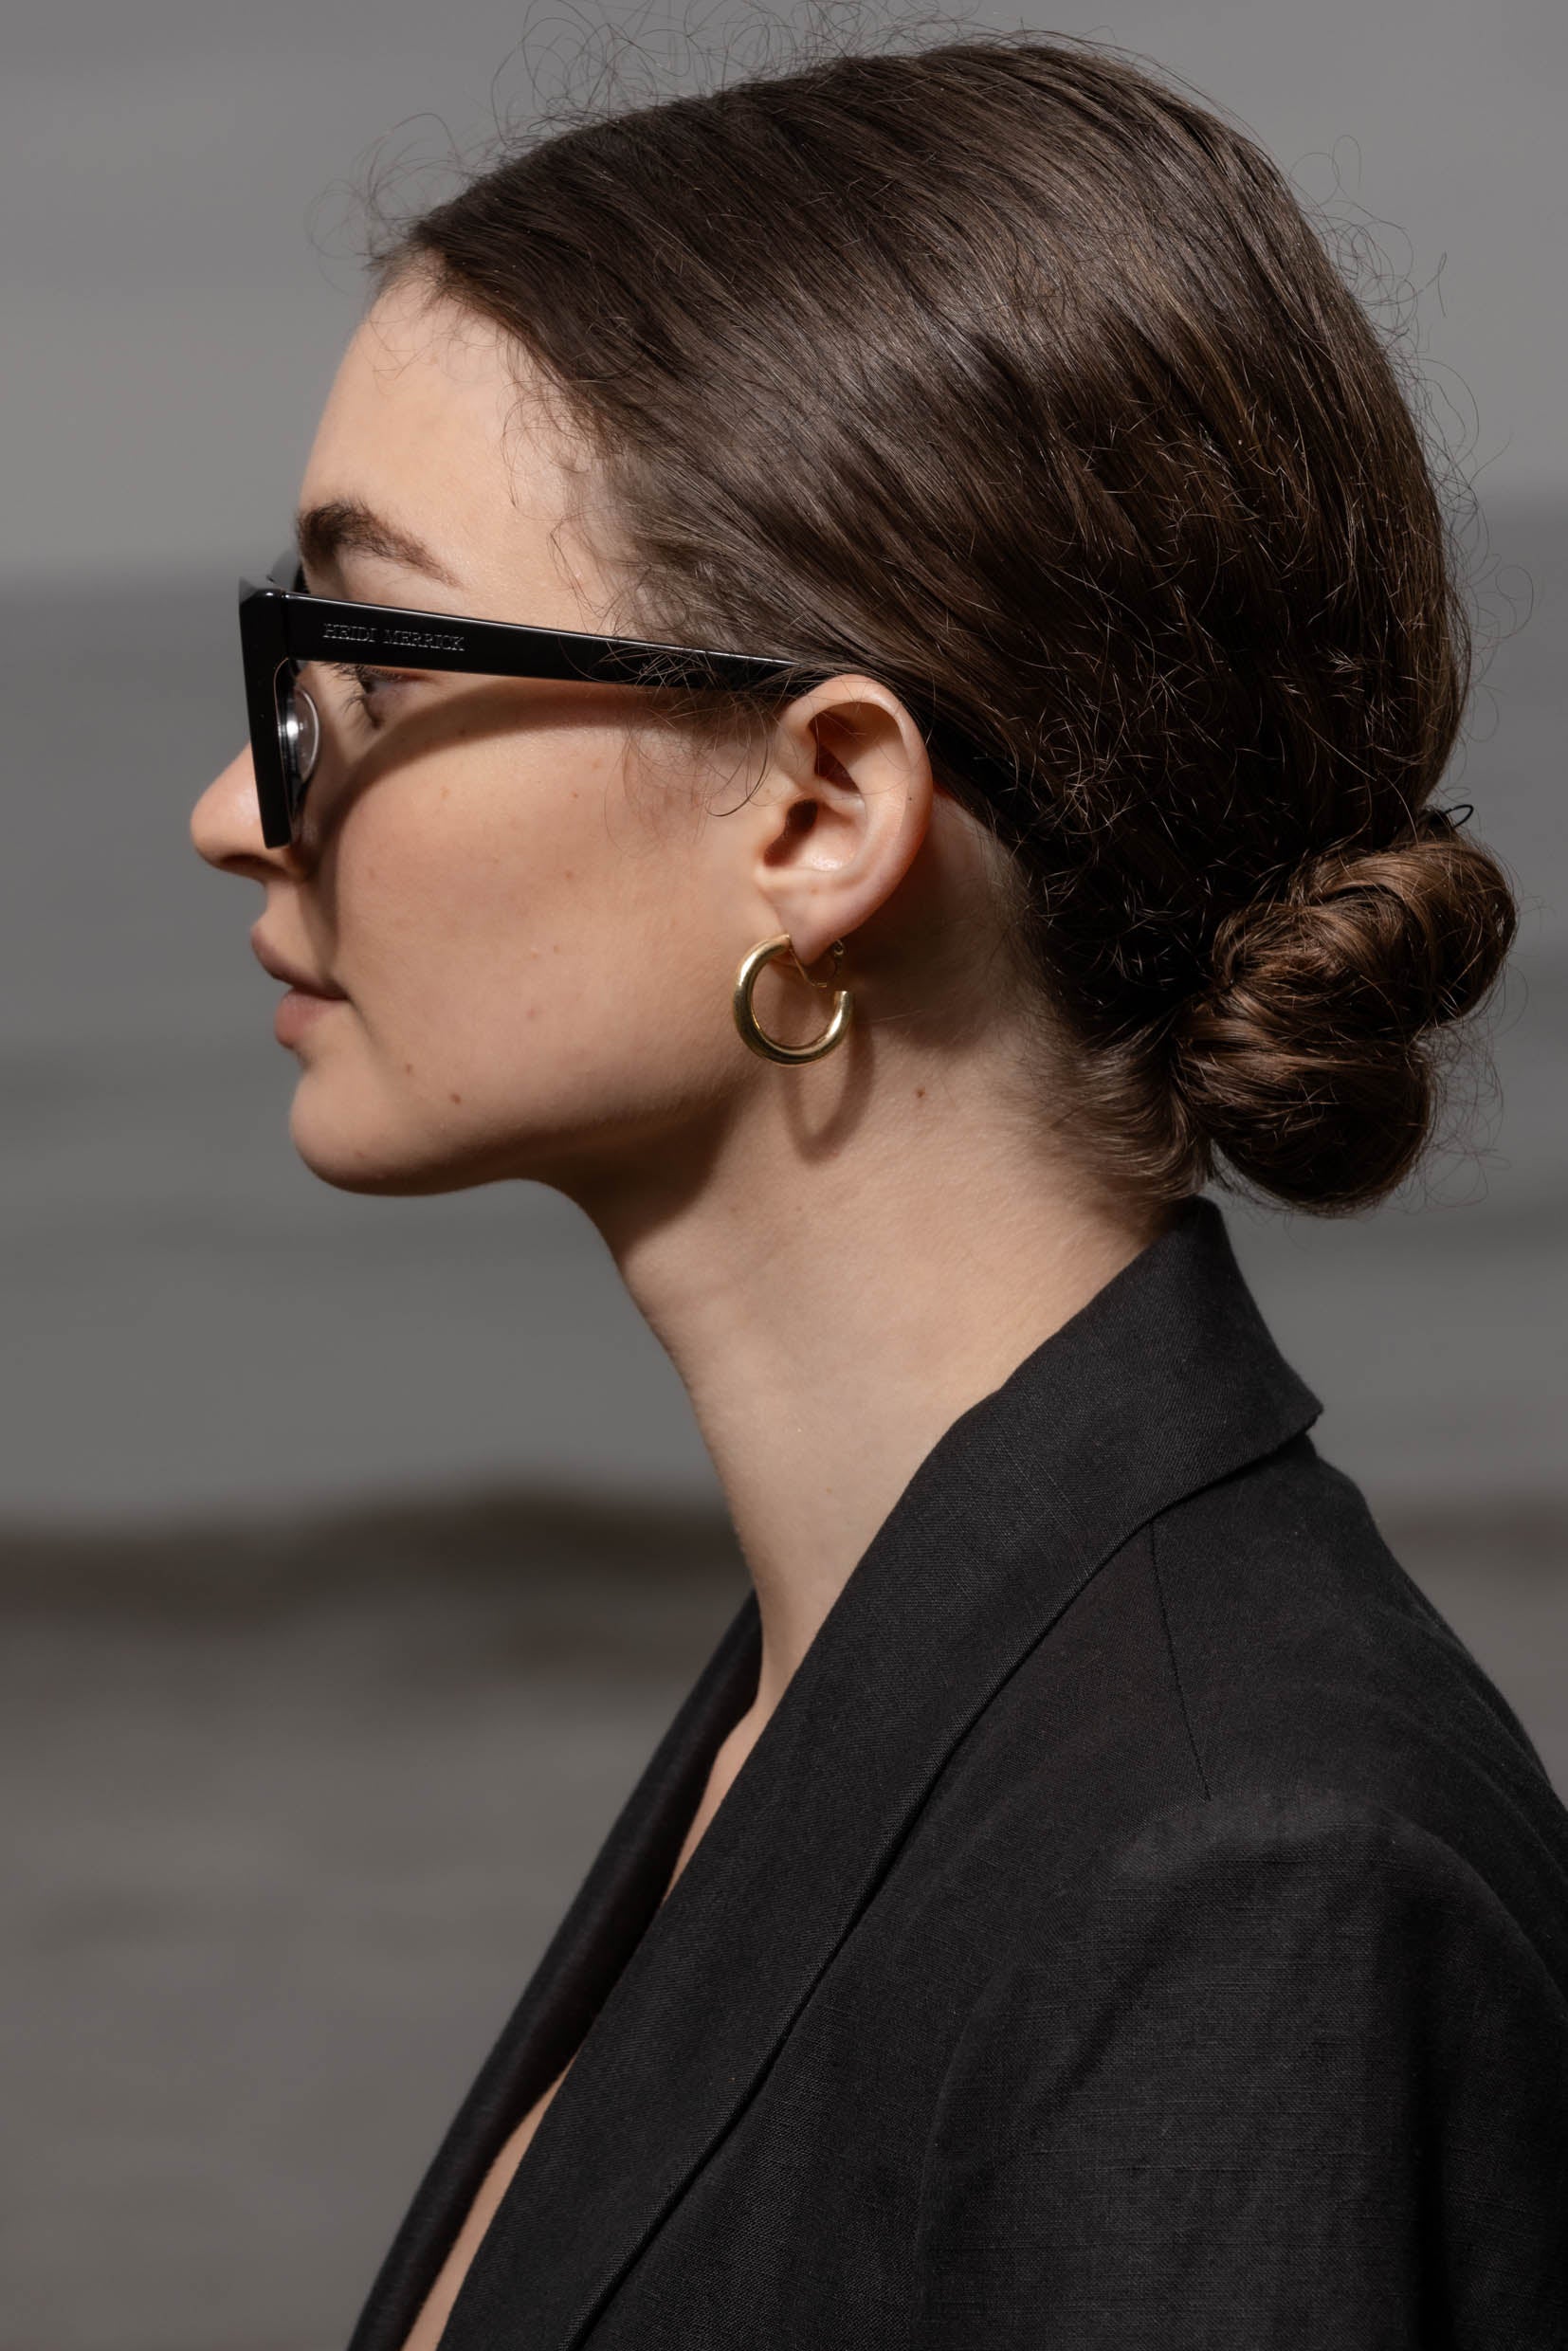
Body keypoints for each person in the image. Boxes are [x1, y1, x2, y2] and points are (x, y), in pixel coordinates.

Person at [190, 32, 1568, 2349]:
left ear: (821, 812)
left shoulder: (1234, 1878)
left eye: (370, 665)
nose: (240, 804)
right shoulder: (862, 1693)